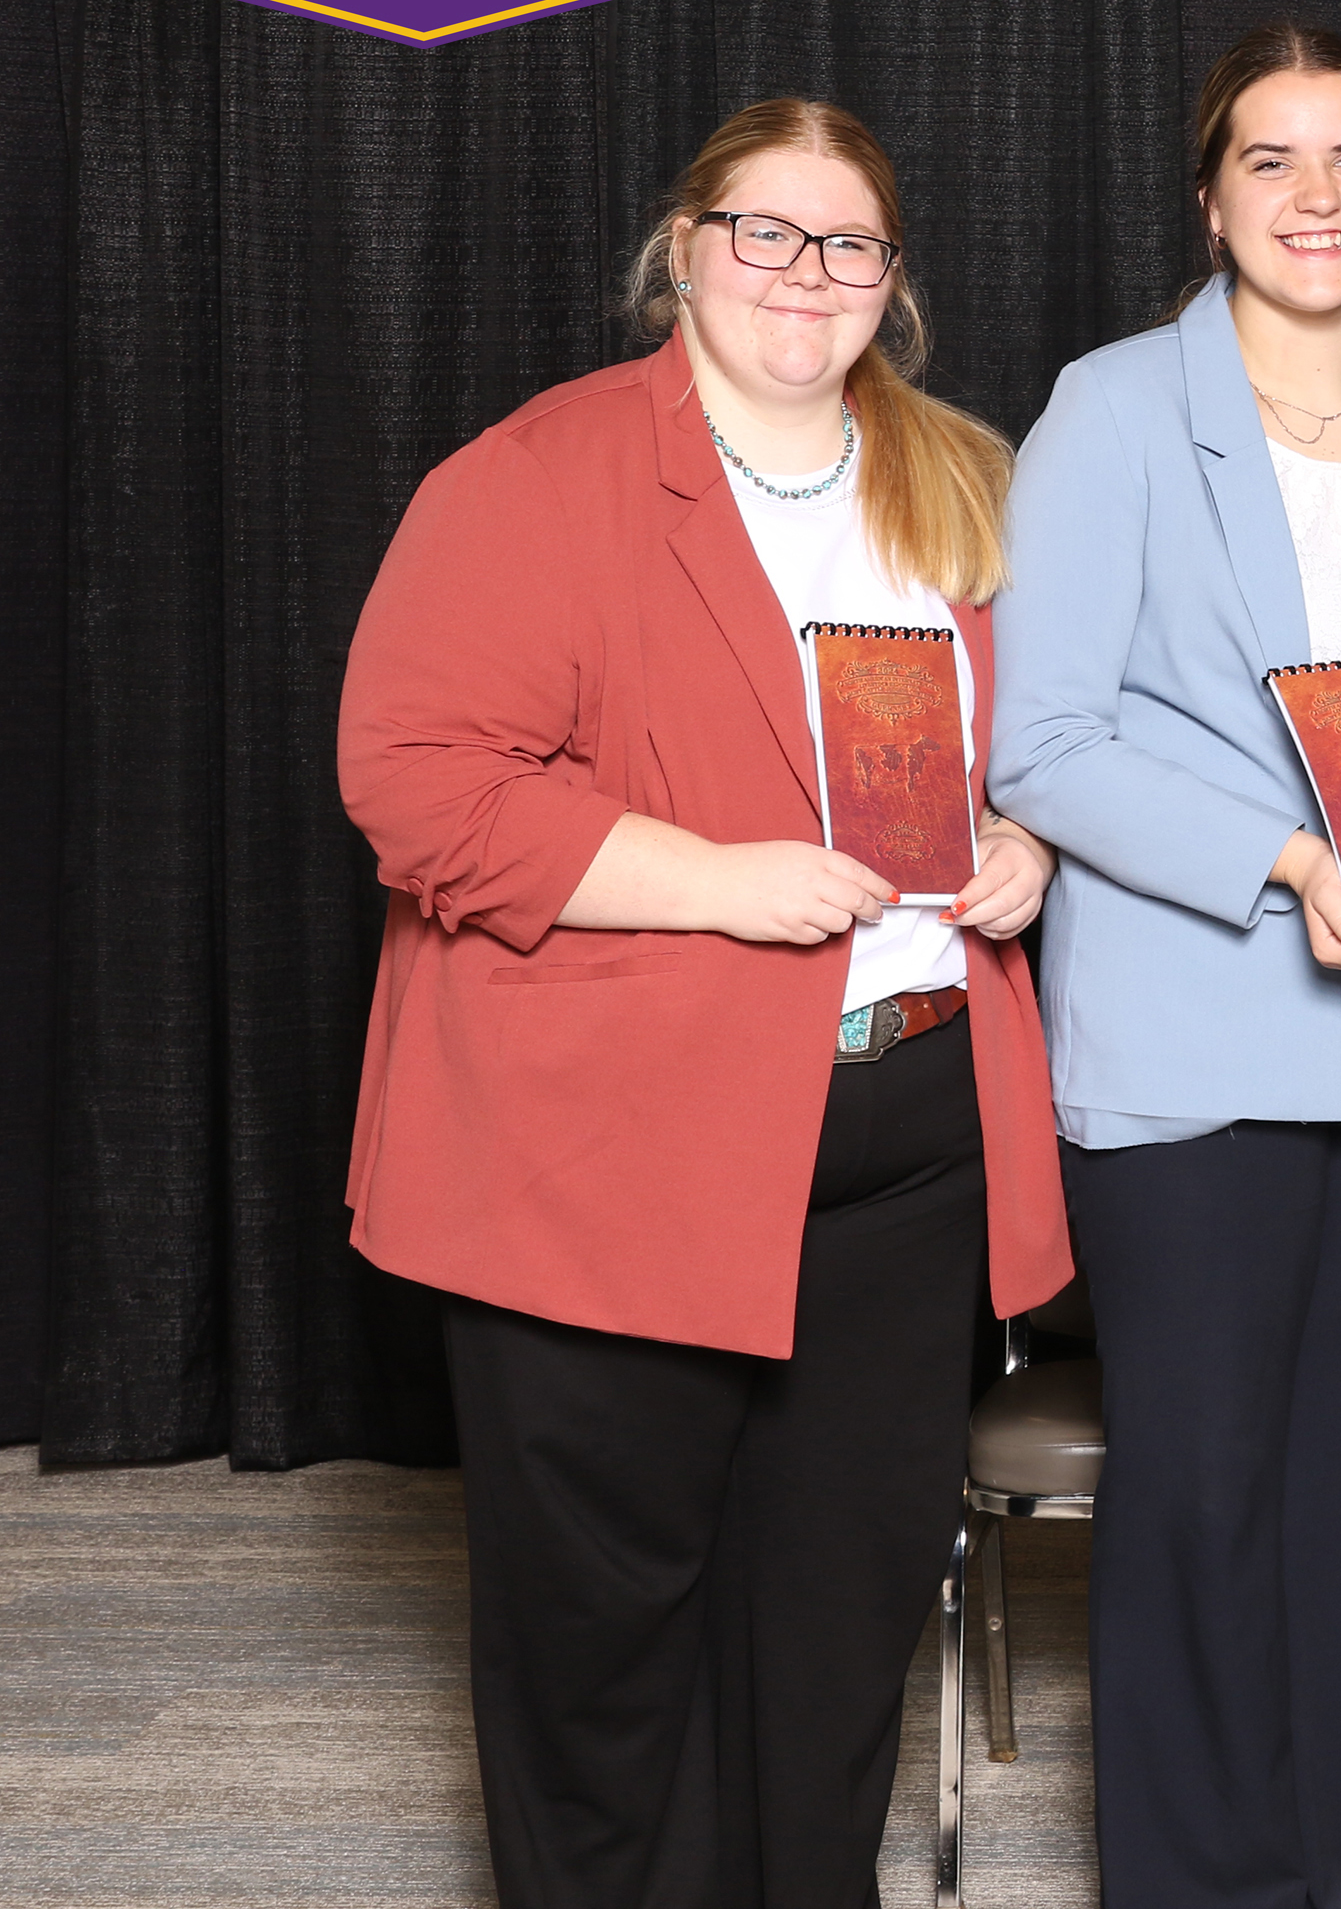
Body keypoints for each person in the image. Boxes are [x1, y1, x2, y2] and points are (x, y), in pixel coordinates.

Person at [337, 98, 1072, 1909]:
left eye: (848, 246)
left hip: (904, 1153)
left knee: (834, 1640)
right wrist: (717, 884)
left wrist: (1022, 840)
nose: (804, 278)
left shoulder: (962, 480)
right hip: (612, 1155)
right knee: (606, 1649)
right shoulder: (538, 473)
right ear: (685, 246)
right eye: (766, 233)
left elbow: (1055, 741)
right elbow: (414, 780)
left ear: (890, 285)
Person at [990, 22, 1341, 1909]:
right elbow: (1042, 743)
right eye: (1274, 163)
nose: (1318, 199)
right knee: (1203, 1495)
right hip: (1194, 1030)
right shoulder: (1116, 407)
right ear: (1211, 196)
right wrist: (1292, 858)